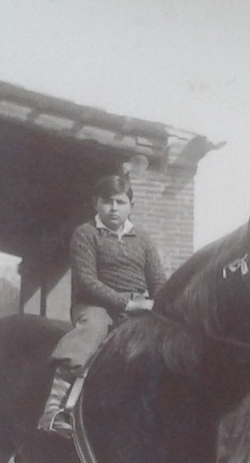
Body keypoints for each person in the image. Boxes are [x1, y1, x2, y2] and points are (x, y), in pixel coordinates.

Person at [39, 172, 164, 435]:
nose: (114, 208)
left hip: (138, 308)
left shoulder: (143, 239)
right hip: (95, 305)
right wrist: (128, 304)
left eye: (120, 202)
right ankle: (54, 409)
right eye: (108, 202)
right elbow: (87, 281)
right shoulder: (85, 234)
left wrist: (160, 304)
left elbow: (158, 281)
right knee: (92, 330)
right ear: (96, 203)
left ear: (131, 205)